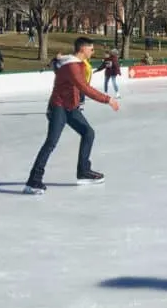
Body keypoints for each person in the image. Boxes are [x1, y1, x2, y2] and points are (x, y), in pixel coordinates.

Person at [24, 37, 120, 194]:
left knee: (88, 133)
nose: (93, 52)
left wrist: (57, 60)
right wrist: (108, 99)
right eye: (91, 49)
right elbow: (84, 87)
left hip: (71, 107)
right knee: (51, 142)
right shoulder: (72, 66)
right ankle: (33, 181)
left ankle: (83, 171)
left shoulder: (74, 63)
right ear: (83, 49)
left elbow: (60, 65)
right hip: (59, 107)